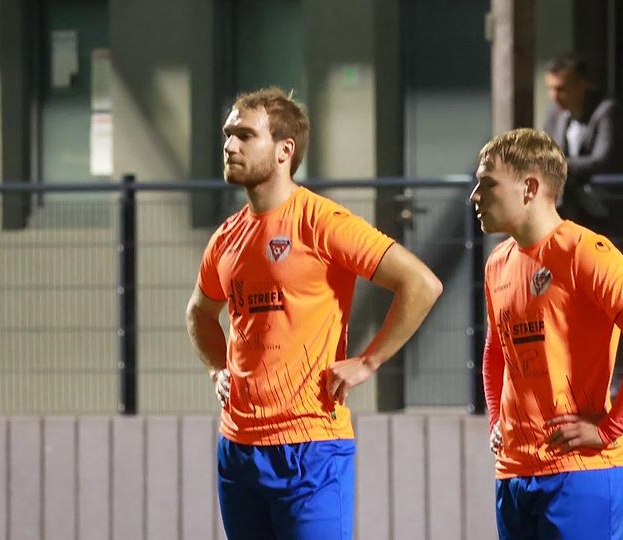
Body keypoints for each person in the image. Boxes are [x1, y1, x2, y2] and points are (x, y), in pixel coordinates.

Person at [185, 86, 442, 540]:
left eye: (245, 135)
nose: (229, 146)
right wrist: (216, 369)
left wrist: (369, 361)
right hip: (239, 450)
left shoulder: (321, 221)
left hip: (311, 448)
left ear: (284, 150)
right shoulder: (225, 238)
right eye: (228, 135)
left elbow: (421, 283)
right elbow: (200, 314)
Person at [472, 128, 623, 539]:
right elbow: (496, 350)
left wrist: (609, 429)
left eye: (487, 184)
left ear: (530, 188)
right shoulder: (497, 263)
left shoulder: (586, 252)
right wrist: (497, 419)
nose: (475, 196)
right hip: (514, 473)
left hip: (581, 473)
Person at [542, 53, 623, 273]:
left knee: (614, 284)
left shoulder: (608, 111)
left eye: (561, 89)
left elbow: (601, 160)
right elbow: (544, 152)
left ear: (581, 85)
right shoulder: (556, 115)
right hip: (584, 219)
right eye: (550, 89)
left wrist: (557, 164)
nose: (554, 96)